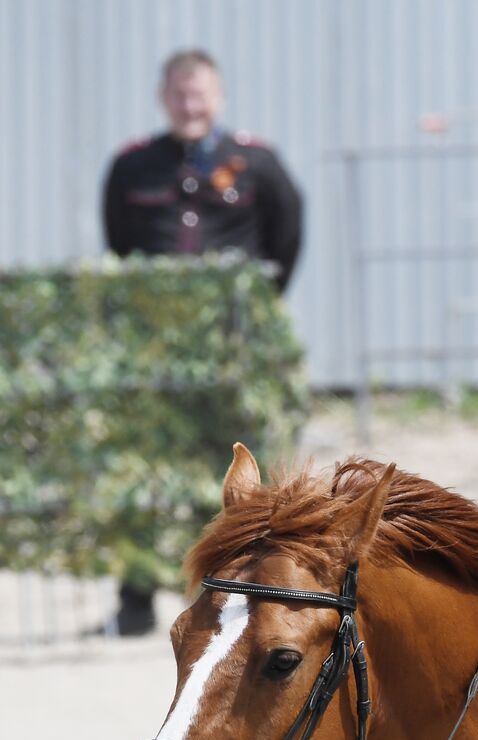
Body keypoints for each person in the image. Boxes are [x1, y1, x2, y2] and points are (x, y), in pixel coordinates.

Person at [100, 48, 304, 635]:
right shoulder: (132, 166)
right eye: (180, 95)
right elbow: (120, 244)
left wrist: (257, 311)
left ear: (218, 97)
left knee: (244, 466)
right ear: (165, 98)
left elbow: (287, 234)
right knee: (142, 466)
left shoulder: (256, 162)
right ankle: (135, 601)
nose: (191, 105)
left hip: (236, 350)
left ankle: (255, 585)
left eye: (200, 94)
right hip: (157, 351)